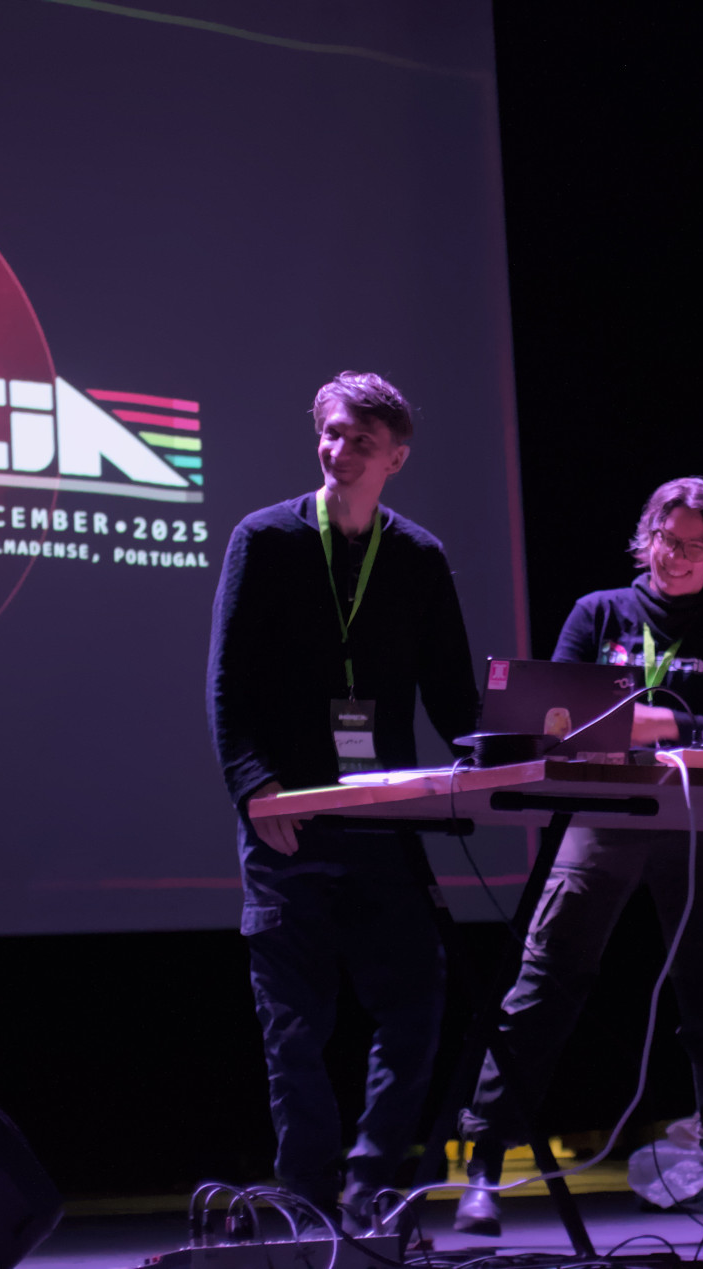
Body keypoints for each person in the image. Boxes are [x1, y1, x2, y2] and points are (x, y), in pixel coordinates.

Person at [456, 476, 703, 1239]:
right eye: (667, 538)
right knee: (544, 984)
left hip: (700, 817)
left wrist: (645, 722)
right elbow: (554, 719)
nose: (676, 555)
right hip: (604, 812)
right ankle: (483, 1166)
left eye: (695, 545)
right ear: (647, 537)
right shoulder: (598, 612)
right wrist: (674, 723)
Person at [206, 372, 479, 1231]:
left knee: (416, 1003)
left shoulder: (419, 557)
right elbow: (227, 683)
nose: (339, 450)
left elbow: (455, 698)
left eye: (361, 440)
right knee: (295, 1026)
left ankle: (368, 1184)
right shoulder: (265, 538)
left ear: (396, 457)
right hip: (286, 819)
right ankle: (305, 1201)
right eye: (330, 433)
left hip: (383, 820)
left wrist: (506, 757)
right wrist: (254, 786)